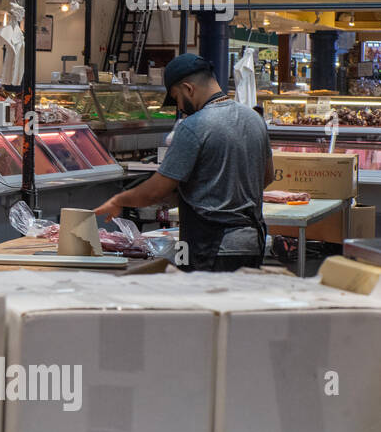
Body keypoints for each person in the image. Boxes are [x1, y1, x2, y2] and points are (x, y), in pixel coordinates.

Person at [94, 53, 274, 272]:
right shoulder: (254, 119)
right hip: (252, 242)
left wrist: (119, 200)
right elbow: (267, 177)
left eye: (177, 98)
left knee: (205, 304)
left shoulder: (194, 126)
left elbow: (156, 191)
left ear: (188, 89)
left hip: (212, 247)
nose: (180, 107)